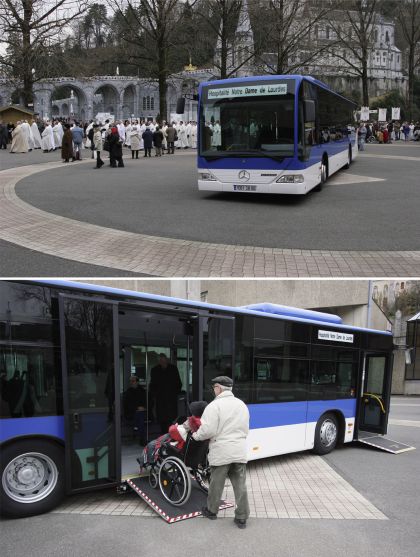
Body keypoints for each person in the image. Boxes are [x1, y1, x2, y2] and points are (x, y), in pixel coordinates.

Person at [193, 376, 250, 529]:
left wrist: (195, 436)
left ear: (218, 388)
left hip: (221, 452)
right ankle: (242, 517)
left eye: (214, 387)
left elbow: (207, 430)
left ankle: (212, 511)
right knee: (240, 486)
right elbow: (246, 429)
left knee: (216, 484)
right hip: (239, 451)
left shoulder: (214, 406)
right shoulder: (242, 405)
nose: (213, 390)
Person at [142, 400, 208, 466]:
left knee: (157, 443)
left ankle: (148, 459)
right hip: (197, 455)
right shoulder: (205, 426)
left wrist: (175, 426)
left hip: (182, 451)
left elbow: (172, 431)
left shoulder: (192, 423)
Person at [149, 354, 182, 433]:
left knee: (171, 420)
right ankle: (164, 438)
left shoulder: (173, 369)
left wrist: (174, 393)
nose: (163, 362)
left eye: (164, 360)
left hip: (171, 399)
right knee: (162, 421)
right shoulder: (155, 370)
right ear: (159, 361)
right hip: (160, 400)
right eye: (161, 361)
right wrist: (155, 394)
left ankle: (170, 437)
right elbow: (152, 385)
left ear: (167, 360)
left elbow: (178, 383)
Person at [123, 375, 147, 444]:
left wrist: (143, 407)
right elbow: (127, 404)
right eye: (130, 381)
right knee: (139, 417)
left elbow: (146, 401)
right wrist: (136, 408)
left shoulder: (142, 391)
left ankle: (136, 430)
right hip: (131, 412)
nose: (131, 383)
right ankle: (141, 438)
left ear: (137, 382)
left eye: (133, 381)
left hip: (142, 411)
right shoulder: (128, 392)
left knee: (140, 416)